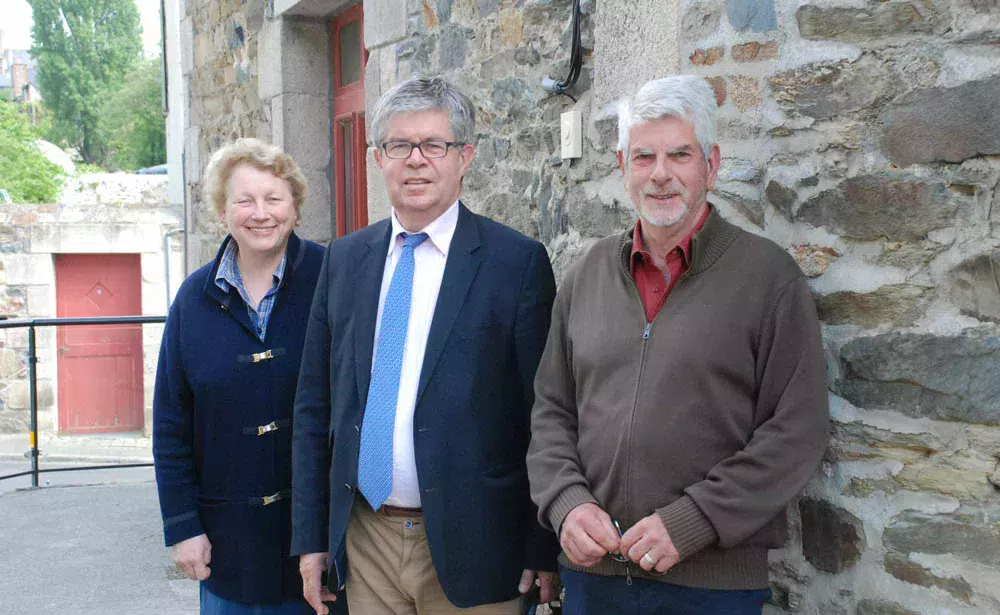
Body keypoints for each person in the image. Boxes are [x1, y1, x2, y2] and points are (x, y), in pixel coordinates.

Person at [526, 75, 830, 614]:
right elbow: (552, 413)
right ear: (622, 168)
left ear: (710, 166)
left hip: (711, 585)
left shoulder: (767, 278)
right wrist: (567, 505)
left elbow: (796, 429)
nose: (660, 174)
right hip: (594, 580)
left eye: (679, 155)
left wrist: (693, 521)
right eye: (643, 156)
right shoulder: (585, 276)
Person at [292, 76, 560, 615]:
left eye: (433, 145)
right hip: (367, 540)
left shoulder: (516, 263)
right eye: (398, 145)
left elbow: (545, 416)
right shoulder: (343, 260)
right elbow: (314, 407)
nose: (415, 160)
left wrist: (541, 545)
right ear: (378, 158)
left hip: (479, 543)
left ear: (465, 157)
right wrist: (311, 539)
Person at [153, 138, 345, 614]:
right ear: (223, 211)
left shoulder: (337, 280)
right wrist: (183, 527)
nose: (261, 213)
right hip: (227, 546)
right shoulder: (192, 301)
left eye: (274, 199)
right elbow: (170, 424)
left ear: (295, 208)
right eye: (244, 200)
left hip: (323, 545)